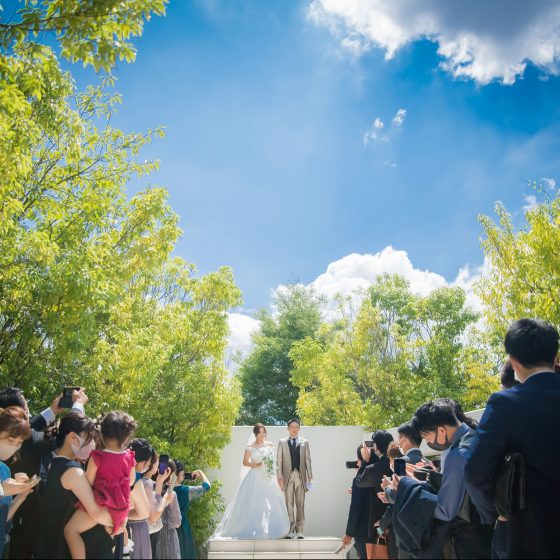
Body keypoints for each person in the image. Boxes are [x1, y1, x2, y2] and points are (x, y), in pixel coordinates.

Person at [465, 318, 560, 559]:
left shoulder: (505, 403)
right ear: (555, 356)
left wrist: (499, 513)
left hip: (528, 535)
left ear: (513, 361)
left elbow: (475, 473)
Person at [0, 386, 88, 560]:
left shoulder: (9, 452)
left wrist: (53, 410)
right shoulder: (27, 441)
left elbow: (28, 426)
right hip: (24, 525)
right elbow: (65, 436)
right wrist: (77, 405)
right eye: (25, 412)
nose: (28, 416)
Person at [410, 400, 492, 559]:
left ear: (441, 430)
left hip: (471, 541)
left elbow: (445, 511)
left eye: (426, 437)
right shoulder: (476, 435)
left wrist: (411, 491)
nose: (428, 442)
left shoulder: (457, 455)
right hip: (488, 534)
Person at [36, 412, 114, 559]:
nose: (93, 443)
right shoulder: (72, 471)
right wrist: (117, 521)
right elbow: (96, 513)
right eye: (89, 438)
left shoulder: (56, 464)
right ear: (72, 437)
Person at [64, 411, 137, 559]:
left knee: (71, 531)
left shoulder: (98, 457)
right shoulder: (129, 456)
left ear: (101, 434)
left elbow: (88, 482)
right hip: (121, 508)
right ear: (126, 437)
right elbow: (131, 480)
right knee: (107, 544)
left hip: (102, 504)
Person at [215, 423, 290, 539]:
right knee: (255, 502)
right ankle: (255, 528)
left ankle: (274, 529)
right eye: (260, 432)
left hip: (267, 476)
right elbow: (245, 462)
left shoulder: (269, 445)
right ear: (255, 433)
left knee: (272, 502)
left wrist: (269, 468)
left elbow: (273, 461)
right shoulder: (250, 447)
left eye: (264, 432)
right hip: (255, 476)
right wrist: (255, 465)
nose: (262, 434)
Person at [0, 406, 35, 558]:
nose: (14, 446)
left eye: (19, 442)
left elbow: (4, 520)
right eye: (10, 440)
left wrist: (21, 495)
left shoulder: (4, 470)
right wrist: (2, 490)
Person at [277, 418, 313, 539]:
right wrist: (279, 477)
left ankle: (300, 530)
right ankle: (290, 530)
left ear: (299, 428)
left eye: (297, 427)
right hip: (287, 477)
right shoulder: (282, 442)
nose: (294, 429)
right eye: (292, 427)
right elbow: (279, 461)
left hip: (301, 476)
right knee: (289, 504)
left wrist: (310, 477)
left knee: (300, 504)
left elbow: (308, 460)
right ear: (288, 428)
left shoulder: (304, 442)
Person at [355, 430, 393, 542]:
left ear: (376, 446)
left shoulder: (374, 468)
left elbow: (359, 482)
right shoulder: (400, 462)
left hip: (381, 523)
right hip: (400, 519)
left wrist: (365, 460)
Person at [341, 446, 374, 560]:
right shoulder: (381, 471)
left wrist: (349, 533)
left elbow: (356, 508)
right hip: (381, 531)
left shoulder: (360, 479)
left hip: (364, 532)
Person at [174, 462, 211, 559]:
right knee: (185, 553)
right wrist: (200, 472)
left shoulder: (161, 487)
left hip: (166, 527)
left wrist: (181, 477)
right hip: (182, 526)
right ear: (180, 474)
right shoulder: (186, 491)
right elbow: (207, 486)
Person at [127, 438, 154, 560]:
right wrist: (122, 513)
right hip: (121, 532)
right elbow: (143, 512)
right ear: (143, 462)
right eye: (148, 463)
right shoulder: (135, 478)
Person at [155, 459, 182, 559]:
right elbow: (177, 522)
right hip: (169, 536)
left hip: (153, 535)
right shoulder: (171, 494)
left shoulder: (150, 488)